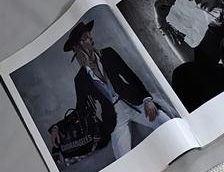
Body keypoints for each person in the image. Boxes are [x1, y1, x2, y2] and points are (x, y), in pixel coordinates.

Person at [53, 20, 171, 160]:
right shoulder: (80, 79)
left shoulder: (108, 54)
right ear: (78, 46)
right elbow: (80, 109)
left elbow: (130, 76)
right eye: (86, 37)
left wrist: (147, 99)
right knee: (123, 159)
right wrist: (57, 127)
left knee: (168, 125)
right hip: (114, 118)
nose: (91, 38)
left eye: (90, 35)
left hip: (135, 103)